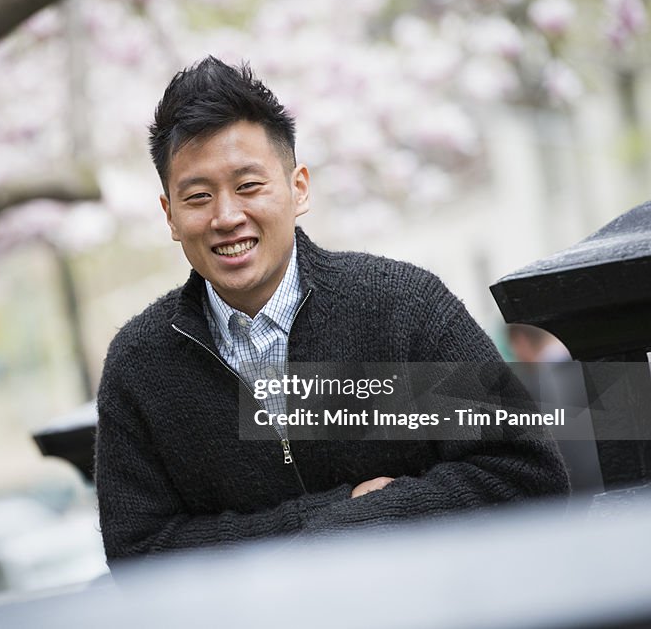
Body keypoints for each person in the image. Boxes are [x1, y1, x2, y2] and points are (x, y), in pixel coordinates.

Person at [94, 56, 568, 563]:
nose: (226, 216)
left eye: (249, 186)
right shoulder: (140, 365)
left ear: (298, 188)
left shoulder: (402, 307)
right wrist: (326, 520)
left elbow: (527, 476)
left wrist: (379, 516)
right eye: (198, 196)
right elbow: (139, 553)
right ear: (169, 214)